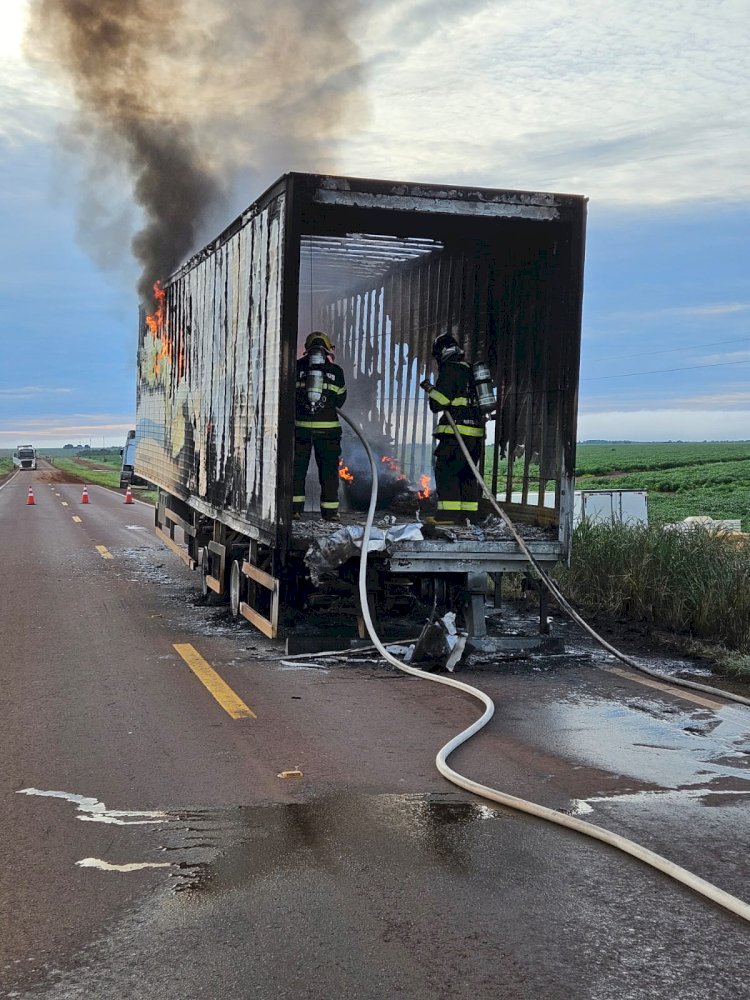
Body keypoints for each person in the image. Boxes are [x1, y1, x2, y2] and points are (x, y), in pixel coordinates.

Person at [424, 333, 485, 524]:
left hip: (456, 435)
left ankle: (447, 516)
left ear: (442, 353)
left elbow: (438, 403)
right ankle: (469, 516)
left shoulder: (450, 370)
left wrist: (431, 390)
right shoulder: (470, 370)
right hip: (475, 436)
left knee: (446, 470)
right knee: (467, 474)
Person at [293, 332, 347, 521]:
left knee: (297, 470)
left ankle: (294, 510)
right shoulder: (336, 371)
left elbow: (288, 397)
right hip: (329, 432)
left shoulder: (296, 367)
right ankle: (330, 512)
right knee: (329, 473)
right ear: (326, 348)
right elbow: (340, 401)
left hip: (301, 430)